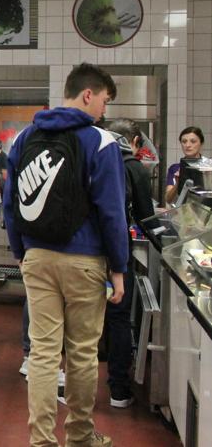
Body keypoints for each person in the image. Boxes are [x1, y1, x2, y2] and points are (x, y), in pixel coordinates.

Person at [3, 63, 127, 447]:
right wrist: (119, 267)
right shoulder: (101, 142)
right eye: (104, 100)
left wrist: (21, 250)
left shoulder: (25, 137)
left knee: (42, 354)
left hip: (37, 256)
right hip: (85, 260)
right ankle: (79, 437)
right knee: (82, 354)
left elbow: (11, 201)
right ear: (88, 94)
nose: (104, 109)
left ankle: (41, 441)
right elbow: (112, 211)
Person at [104, 118, 156, 409]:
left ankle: (69, 388)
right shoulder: (134, 167)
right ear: (134, 141)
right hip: (117, 253)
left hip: (85, 250)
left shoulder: (91, 162)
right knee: (119, 318)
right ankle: (119, 390)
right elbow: (147, 218)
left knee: (81, 321)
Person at [164, 126, 204, 205]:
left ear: (201, 143)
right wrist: (178, 183)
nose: (188, 145)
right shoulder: (175, 168)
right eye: (184, 141)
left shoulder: (208, 167)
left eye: (193, 141)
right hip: (182, 214)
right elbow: (168, 199)